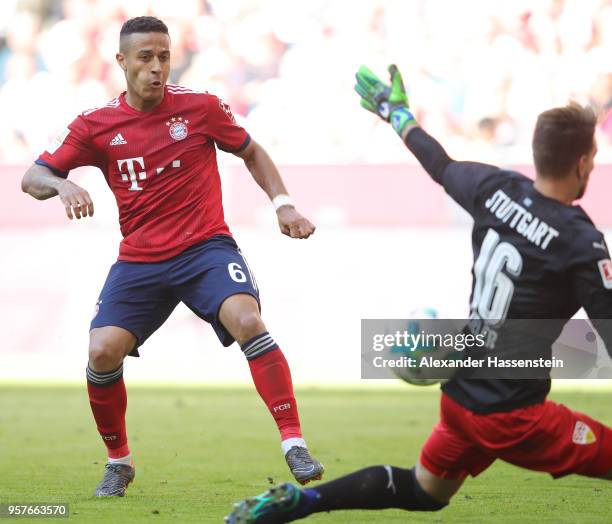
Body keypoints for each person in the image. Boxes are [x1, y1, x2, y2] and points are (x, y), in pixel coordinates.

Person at [225, 65, 612, 523]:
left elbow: (439, 165)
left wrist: (396, 113)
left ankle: (300, 502)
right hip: (512, 412)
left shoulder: (496, 189)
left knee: (423, 490)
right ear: (585, 162)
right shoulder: (579, 240)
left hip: (463, 394)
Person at [21, 16, 324, 497]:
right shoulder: (95, 125)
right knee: (101, 351)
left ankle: (294, 444)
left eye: (164, 56)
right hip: (141, 261)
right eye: (145, 57)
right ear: (121, 62)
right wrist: (63, 183)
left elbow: (252, 151)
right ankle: (118, 462)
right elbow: (32, 177)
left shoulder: (200, 108)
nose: (157, 67)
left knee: (247, 318)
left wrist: (283, 205)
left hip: (205, 249)